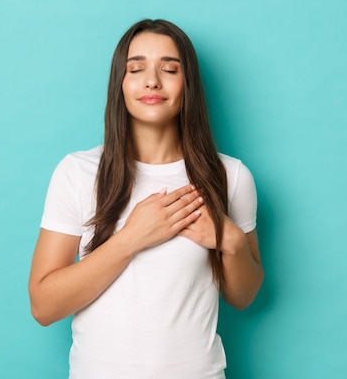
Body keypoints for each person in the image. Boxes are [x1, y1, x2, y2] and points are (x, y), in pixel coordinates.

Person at [29, 19, 264, 379]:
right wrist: (132, 238)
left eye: (169, 69)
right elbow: (44, 306)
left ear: (189, 85)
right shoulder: (78, 172)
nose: (152, 80)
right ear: (120, 85)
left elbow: (243, 296)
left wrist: (230, 241)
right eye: (136, 68)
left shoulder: (230, 176)